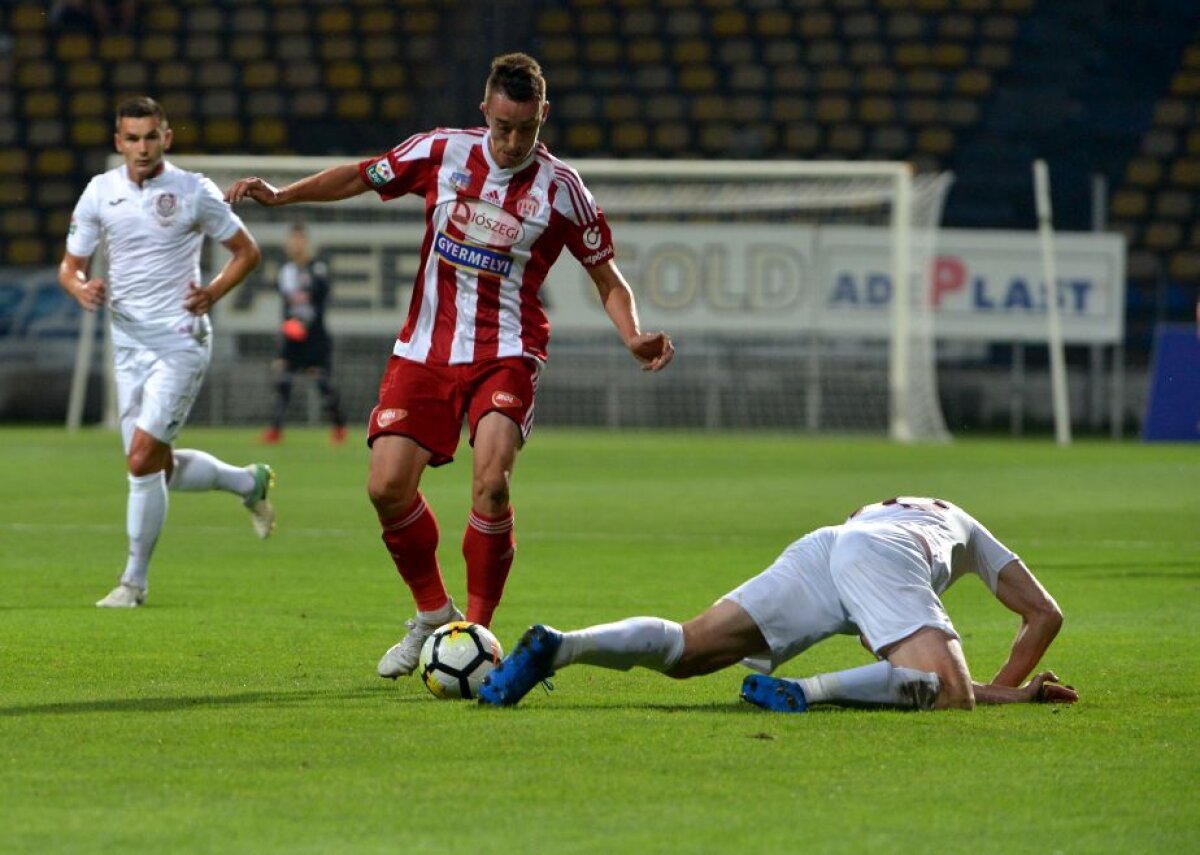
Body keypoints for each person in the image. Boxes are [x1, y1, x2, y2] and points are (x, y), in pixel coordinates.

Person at [225, 53, 674, 678]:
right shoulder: (440, 151)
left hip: (507, 352)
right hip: (425, 350)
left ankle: (479, 636)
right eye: (504, 127)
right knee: (385, 487)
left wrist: (633, 334)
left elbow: (608, 277)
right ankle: (434, 615)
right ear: (485, 110)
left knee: (491, 481)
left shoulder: (562, 189)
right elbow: (360, 176)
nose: (514, 141)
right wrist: (282, 197)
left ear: (543, 116)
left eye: (527, 129)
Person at [479, 496, 1080, 712]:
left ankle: (565, 646)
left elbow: (899, 666)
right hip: (883, 555)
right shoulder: (961, 527)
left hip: (826, 544)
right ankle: (806, 693)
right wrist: (1007, 690)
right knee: (946, 691)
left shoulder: (884, 513)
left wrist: (991, 689)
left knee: (689, 649)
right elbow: (1043, 613)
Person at [59, 96, 274, 608]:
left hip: (181, 341)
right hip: (128, 345)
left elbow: (247, 253)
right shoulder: (99, 193)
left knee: (140, 462)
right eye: (131, 138)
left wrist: (212, 293)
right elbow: (70, 266)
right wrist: (80, 287)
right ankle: (249, 481)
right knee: (159, 466)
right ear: (118, 142)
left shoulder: (192, 191)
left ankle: (133, 583)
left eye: (150, 136)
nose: (141, 147)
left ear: (166, 138)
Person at [261, 222, 348, 445]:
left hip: (314, 337)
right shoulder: (285, 271)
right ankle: (274, 431)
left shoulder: (317, 268)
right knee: (283, 381)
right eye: (293, 239)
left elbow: (320, 304)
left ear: (306, 242)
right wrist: (287, 330)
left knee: (322, 383)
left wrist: (305, 326)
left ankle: (339, 426)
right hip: (292, 337)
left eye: (300, 239)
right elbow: (286, 306)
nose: (296, 244)